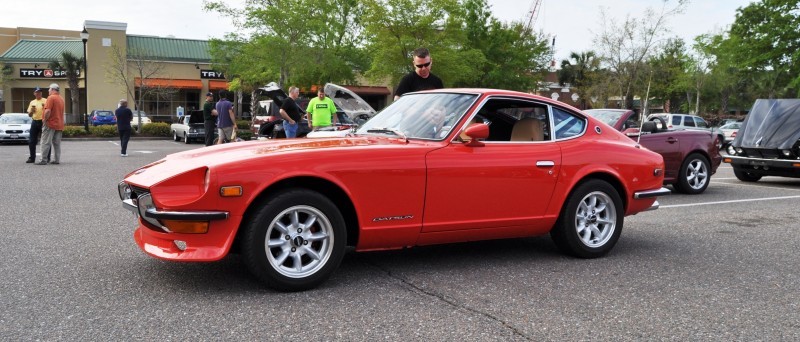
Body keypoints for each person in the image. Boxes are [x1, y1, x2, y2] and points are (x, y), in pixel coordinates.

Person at [36, 83, 65, 165]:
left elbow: (48, 111)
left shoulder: (51, 98)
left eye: (49, 89)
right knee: (57, 143)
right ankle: (56, 160)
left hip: (50, 123)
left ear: (52, 89)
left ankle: (43, 160)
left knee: (45, 142)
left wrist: (44, 120)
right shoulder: (61, 98)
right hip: (59, 124)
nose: (48, 90)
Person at [26, 87, 47, 163]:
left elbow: (49, 111)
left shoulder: (46, 100)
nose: (38, 93)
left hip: (43, 121)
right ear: (34, 93)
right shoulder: (32, 102)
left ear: (41, 93)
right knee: (31, 141)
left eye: (40, 92)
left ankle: (47, 157)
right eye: (37, 92)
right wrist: (31, 111)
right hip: (34, 121)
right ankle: (32, 158)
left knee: (45, 140)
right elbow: (29, 115)